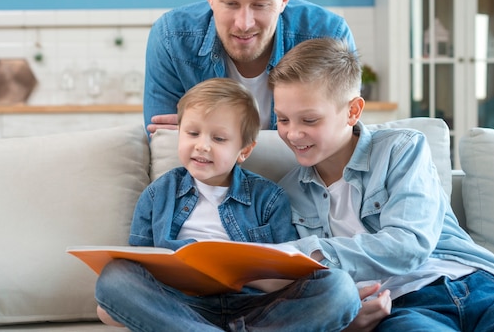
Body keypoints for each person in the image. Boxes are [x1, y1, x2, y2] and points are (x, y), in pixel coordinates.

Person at [96, 78, 361, 332]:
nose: (202, 146)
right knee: (115, 278)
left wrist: (244, 275)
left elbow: (288, 275)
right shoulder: (158, 195)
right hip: (182, 305)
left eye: (219, 139)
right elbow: (140, 263)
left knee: (341, 289)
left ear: (244, 150)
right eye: (192, 133)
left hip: (255, 307)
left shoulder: (268, 198)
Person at [269, 37, 494, 331]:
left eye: (309, 120)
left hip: (473, 282)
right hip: (403, 306)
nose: (293, 133)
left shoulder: (401, 150)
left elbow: (409, 243)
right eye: (283, 119)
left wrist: (310, 252)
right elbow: (306, 286)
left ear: (352, 111)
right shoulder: (288, 194)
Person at [144, 0, 355, 135]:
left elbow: (339, 143)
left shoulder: (329, 35)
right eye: (231, 4)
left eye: (260, 5)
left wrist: (206, 135)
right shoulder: (170, 37)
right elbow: (164, 145)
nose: (244, 24)